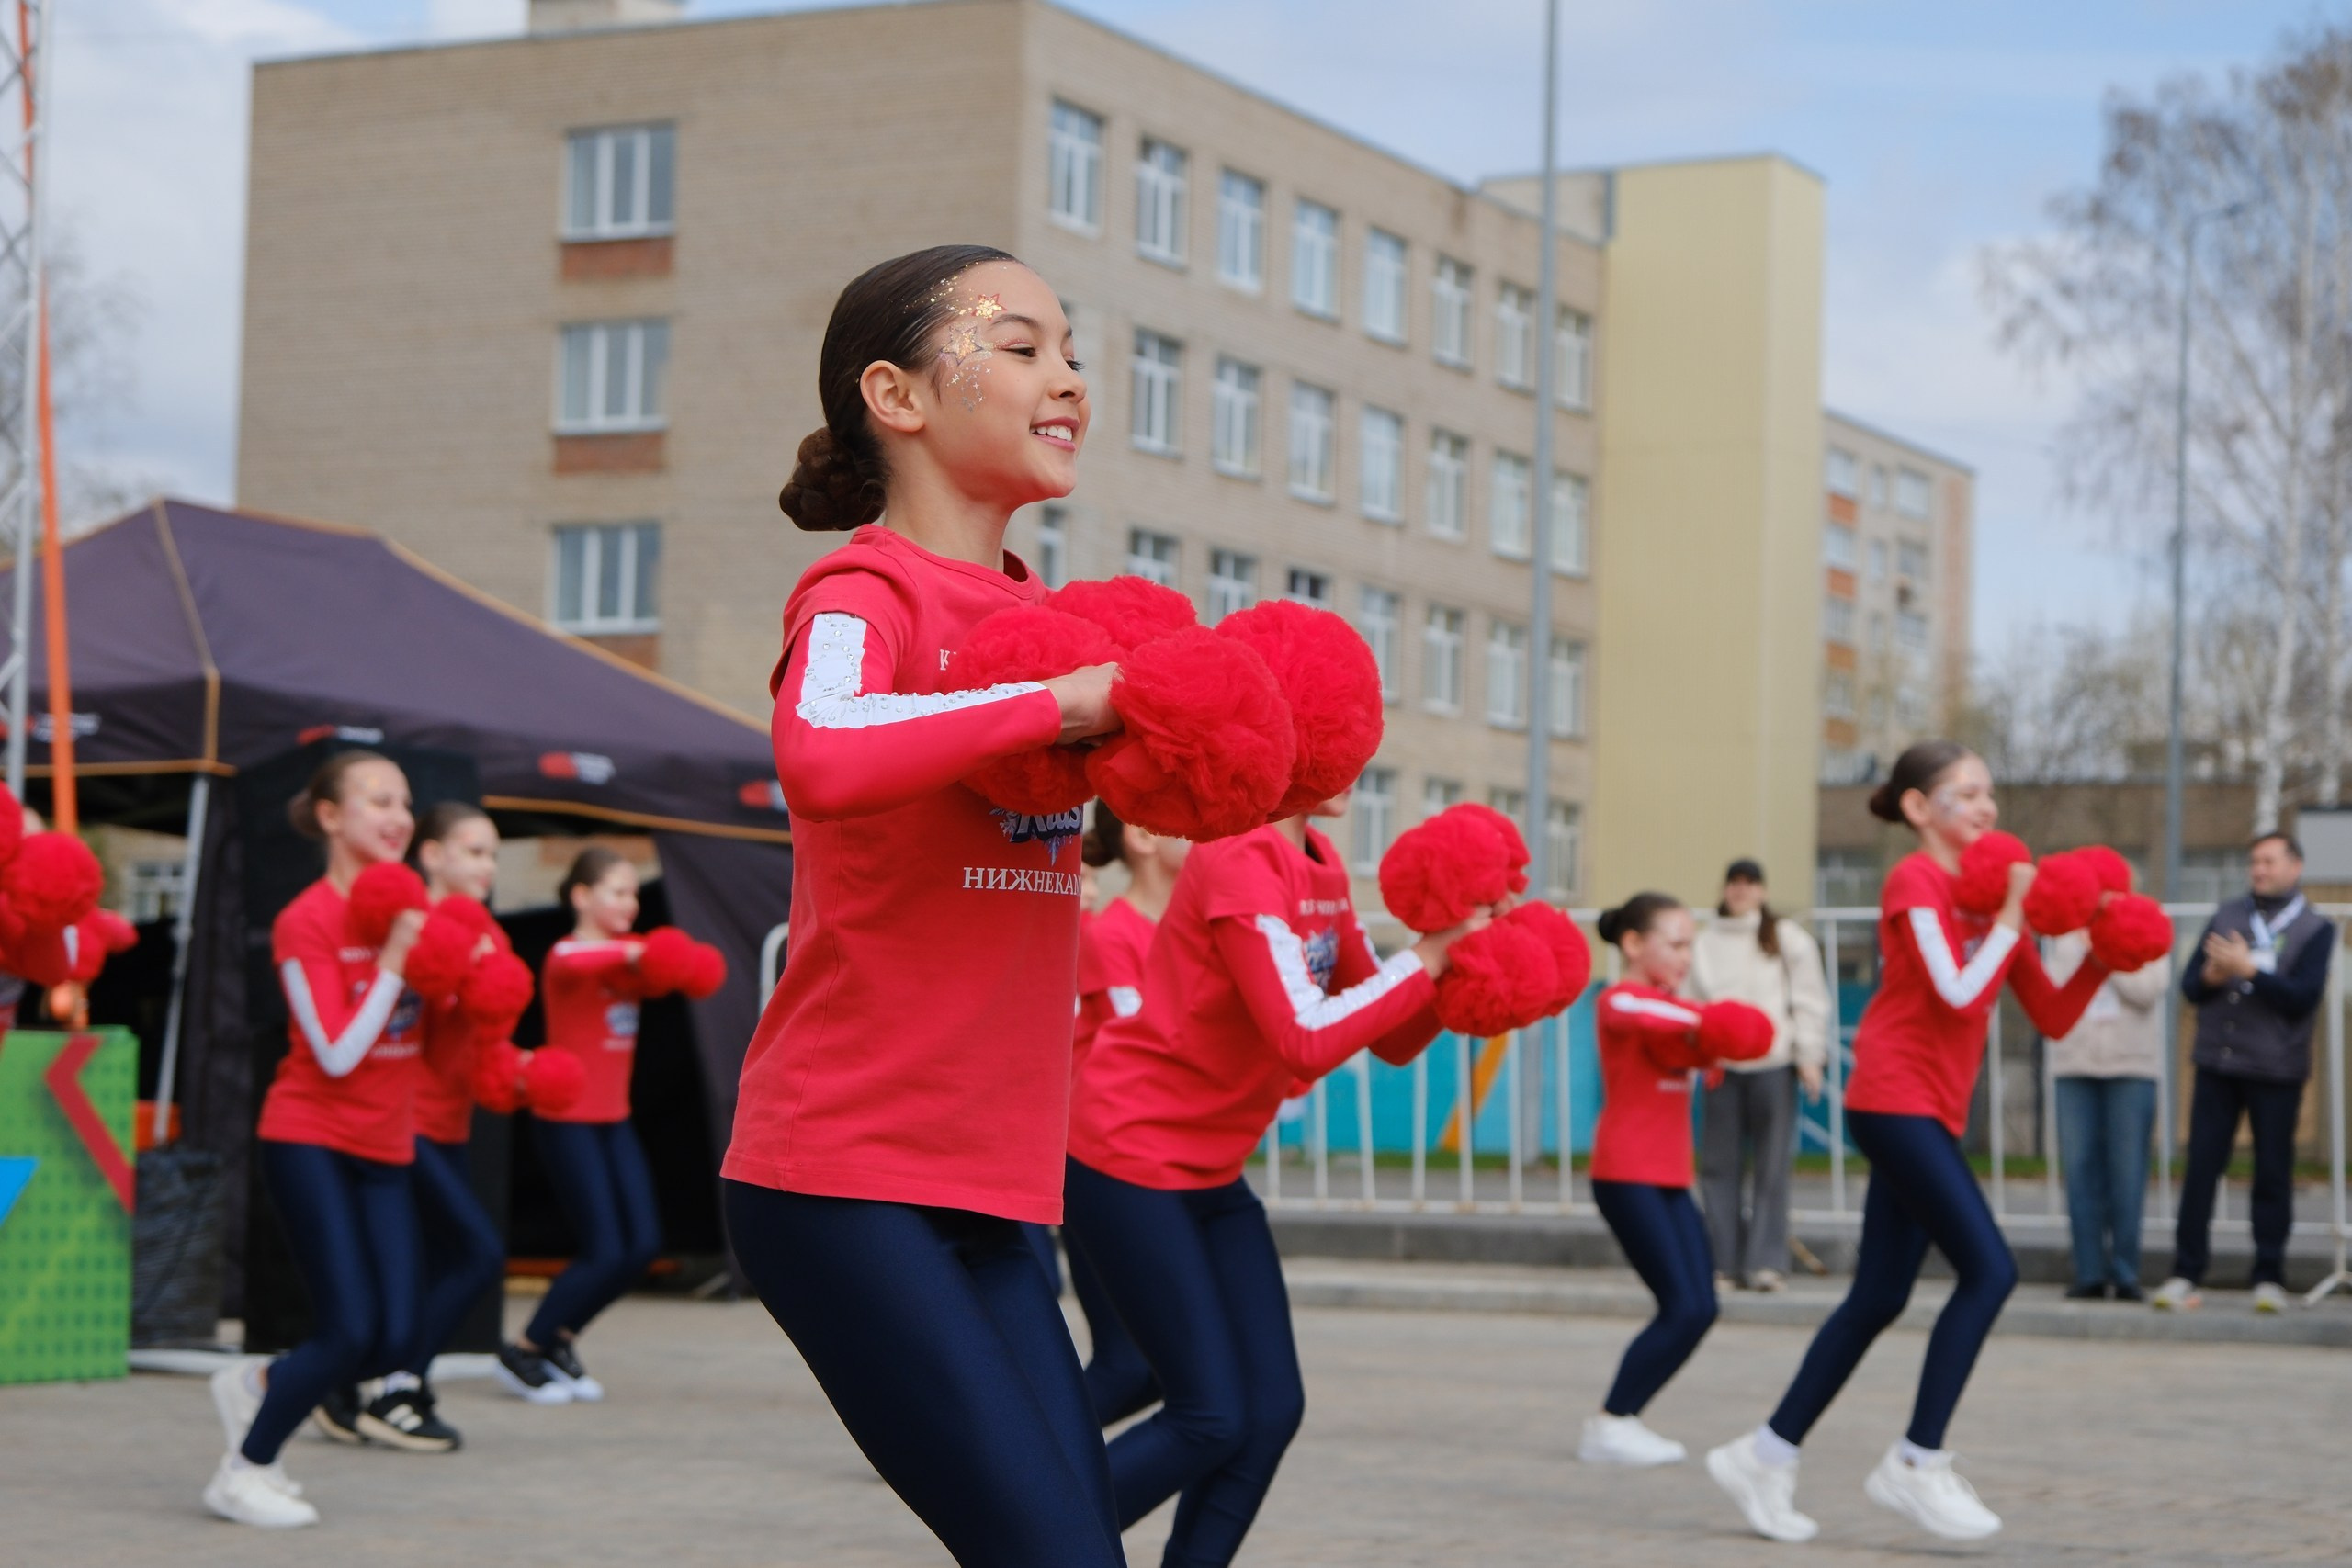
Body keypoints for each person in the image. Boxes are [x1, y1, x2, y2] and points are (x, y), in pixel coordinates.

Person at [720, 244, 1128, 1566]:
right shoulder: (866, 590)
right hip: (845, 1175)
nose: (1067, 379)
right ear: (895, 395)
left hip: (995, 1185)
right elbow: (822, 746)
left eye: (1071, 353)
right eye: (1020, 347)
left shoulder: (1041, 621)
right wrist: (1058, 705)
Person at [1705, 739, 2109, 1545]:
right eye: (1968, 791)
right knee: (1991, 1270)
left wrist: (2105, 950)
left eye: (1990, 791)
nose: (1987, 805)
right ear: (1920, 807)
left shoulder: (1993, 900)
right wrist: (2011, 917)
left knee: (1879, 1297)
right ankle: (1917, 1461)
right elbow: (1957, 991)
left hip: (1931, 1112)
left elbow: (2054, 1015)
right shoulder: (1915, 881)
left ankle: (1762, 1453)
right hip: (1893, 1100)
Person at [1062, 796, 1479, 1568]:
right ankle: (1022, 1539)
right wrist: (1428, 957)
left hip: (1210, 1170)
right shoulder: (1239, 855)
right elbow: (1304, 1037)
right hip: (1127, 1156)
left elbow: (1391, 1039)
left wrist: (1461, 968)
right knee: (1208, 1414)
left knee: (1272, 1410)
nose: (1356, 759)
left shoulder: (1320, 862)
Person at [204, 751, 428, 1529]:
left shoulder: (417, 908)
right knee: (348, 1328)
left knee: (397, 1336)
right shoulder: (307, 919)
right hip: (312, 1135)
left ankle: (260, 1384)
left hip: (386, 1143)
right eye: (378, 800)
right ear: (330, 816)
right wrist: (395, 960)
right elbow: (334, 1051)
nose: (398, 816)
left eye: (405, 801)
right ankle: (243, 1470)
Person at [1580, 892, 1773, 1469]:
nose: (1687, 956)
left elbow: (1694, 1032)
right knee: (1682, 1306)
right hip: (1625, 1174)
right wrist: (1716, 1024)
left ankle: (1620, 1420)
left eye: (1692, 945)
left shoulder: (1674, 1009)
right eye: (1676, 944)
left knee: (1702, 1306)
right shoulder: (1619, 1000)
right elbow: (1650, 1014)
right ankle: (1611, 1423)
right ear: (1634, 944)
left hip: (1667, 1177)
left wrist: (1715, 1036)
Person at [365, 802, 513, 1446]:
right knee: (478, 1252)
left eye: (493, 855)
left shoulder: (488, 932)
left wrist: (518, 1071)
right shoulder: (410, 930)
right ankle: (397, 1386)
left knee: (432, 1263)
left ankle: (353, 1386)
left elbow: (485, 1034)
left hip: (451, 1124)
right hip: (405, 1122)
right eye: (475, 852)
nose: (488, 866)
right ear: (431, 855)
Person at [499, 846, 657, 1404]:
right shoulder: (567, 955)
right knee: (604, 1250)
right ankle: (525, 1348)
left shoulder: (630, 959)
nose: (630, 903)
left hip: (615, 1120)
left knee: (642, 1246)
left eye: (634, 892)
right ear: (581, 896)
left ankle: (558, 1340)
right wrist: (638, 953)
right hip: (568, 1121)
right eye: (617, 891)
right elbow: (574, 961)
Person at [2156, 832, 2335, 1314]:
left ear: (2295, 867)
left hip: (2276, 1069)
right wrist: (2214, 975)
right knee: (2201, 1168)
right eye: (2254, 861)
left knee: (2272, 1173)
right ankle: (2185, 1271)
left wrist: (2250, 970)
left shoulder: (2315, 928)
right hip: (2218, 1061)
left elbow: (2303, 999)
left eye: (2269, 861)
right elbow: (2190, 986)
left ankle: (2269, 1276)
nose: (2259, 870)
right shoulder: (2227, 915)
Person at [1066, 798, 1186, 1424]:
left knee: (1156, 1367)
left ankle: (1016, 1459)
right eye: (1192, 820)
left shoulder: (1187, 934)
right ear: (1141, 835)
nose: (1213, 836)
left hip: (1155, 1163)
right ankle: (998, 1460)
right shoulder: (1111, 934)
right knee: (1130, 1364)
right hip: (1100, 1159)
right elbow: (1156, 1047)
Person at [1690, 859, 1829, 1292]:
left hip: (1774, 1064)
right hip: (1721, 1067)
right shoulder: (1704, 942)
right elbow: (1692, 1000)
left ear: (1763, 891)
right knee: (1718, 1166)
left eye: (1750, 883)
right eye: (1734, 882)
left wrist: (1809, 1055)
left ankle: (1767, 1262)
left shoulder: (1787, 938)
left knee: (1772, 1167)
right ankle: (1724, 1262)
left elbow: (1809, 999)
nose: (1741, 890)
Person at [2047, 913, 2168, 1302]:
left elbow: (2148, 989)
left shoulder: (2145, 926)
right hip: (2074, 1065)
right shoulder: (2066, 934)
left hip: (2131, 1067)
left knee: (2127, 1172)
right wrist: (2085, 953)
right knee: (2079, 1170)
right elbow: (2052, 993)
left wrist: (2107, 953)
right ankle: (2089, 1273)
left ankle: (2126, 1273)